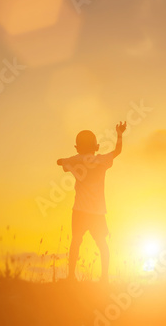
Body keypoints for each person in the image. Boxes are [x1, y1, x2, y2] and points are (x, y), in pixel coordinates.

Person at [57, 121, 127, 283]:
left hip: (80, 211)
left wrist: (63, 161)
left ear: (77, 147)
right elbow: (117, 151)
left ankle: (70, 276)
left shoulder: (75, 160)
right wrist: (119, 134)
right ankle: (104, 278)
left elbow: (60, 162)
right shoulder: (102, 161)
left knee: (76, 241)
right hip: (97, 212)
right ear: (96, 146)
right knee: (102, 244)